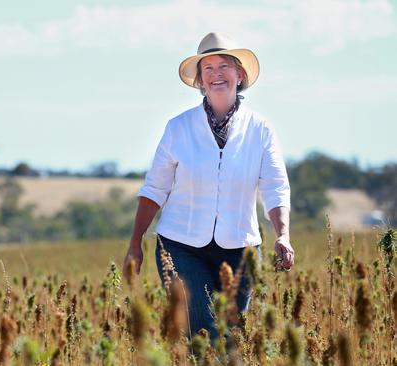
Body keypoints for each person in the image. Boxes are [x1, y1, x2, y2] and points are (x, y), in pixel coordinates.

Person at [122, 32, 294, 338]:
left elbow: (275, 186)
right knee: (203, 331)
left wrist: (283, 234)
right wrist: (135, 242)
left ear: (240, 75)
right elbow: (155, 189)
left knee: (230, 336)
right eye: (208, 68)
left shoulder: (261, 129)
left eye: (224, 66)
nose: (217, 75)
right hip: (180, 246)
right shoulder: (178, 127)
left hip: (241, 249)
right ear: (200, 80)